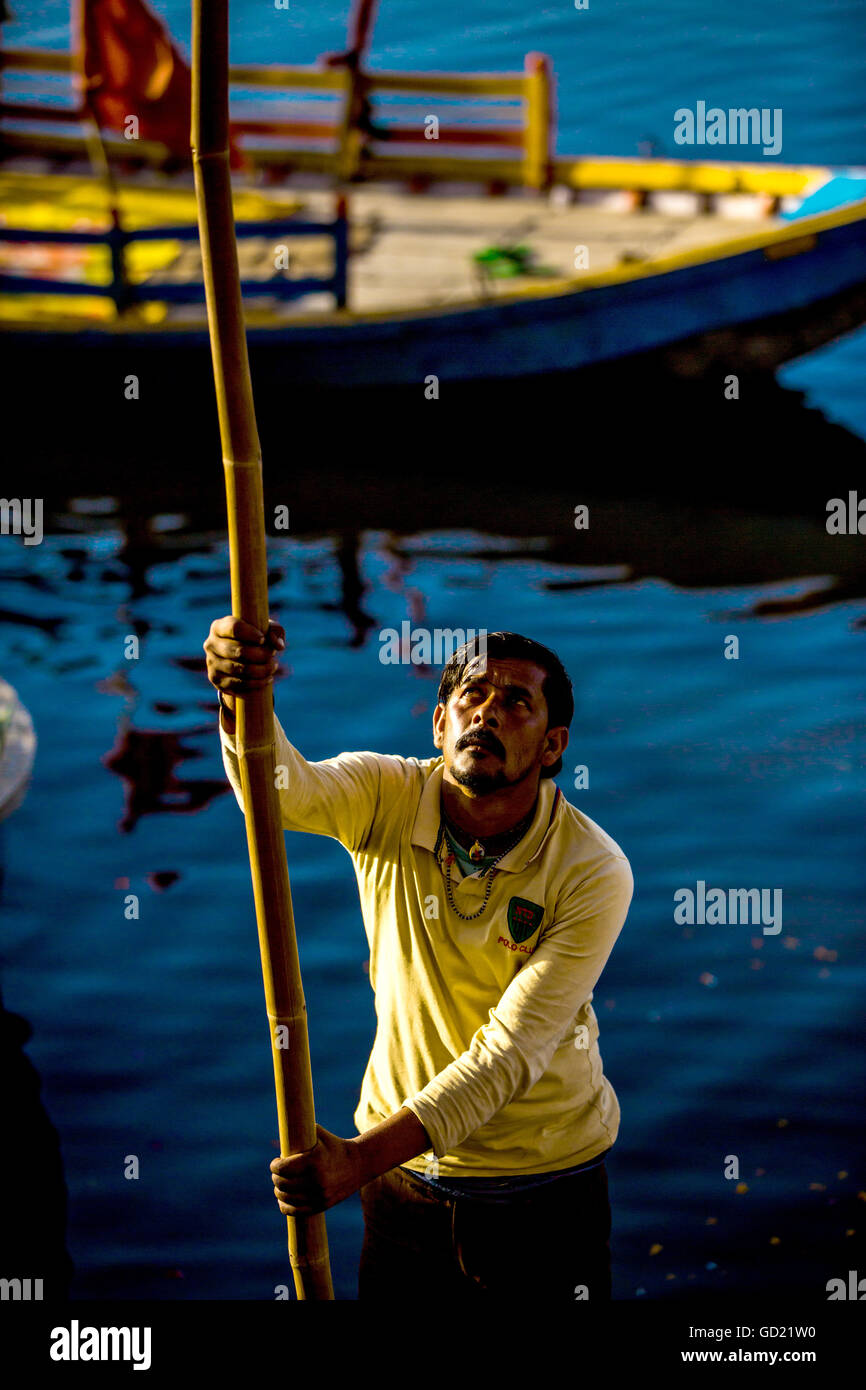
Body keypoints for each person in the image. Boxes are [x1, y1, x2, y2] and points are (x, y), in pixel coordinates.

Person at [203, 618, 633, 1301]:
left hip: (542, 1189)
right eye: (471, 696)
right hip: (402, 1184)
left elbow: (511, 1052)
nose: (487, 712)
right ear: (439, 723)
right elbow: (280, 792)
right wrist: (239, 695)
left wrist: (357, 1161)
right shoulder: (385, 794)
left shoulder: (593, 868)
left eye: (516, 702)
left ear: (553, 746)